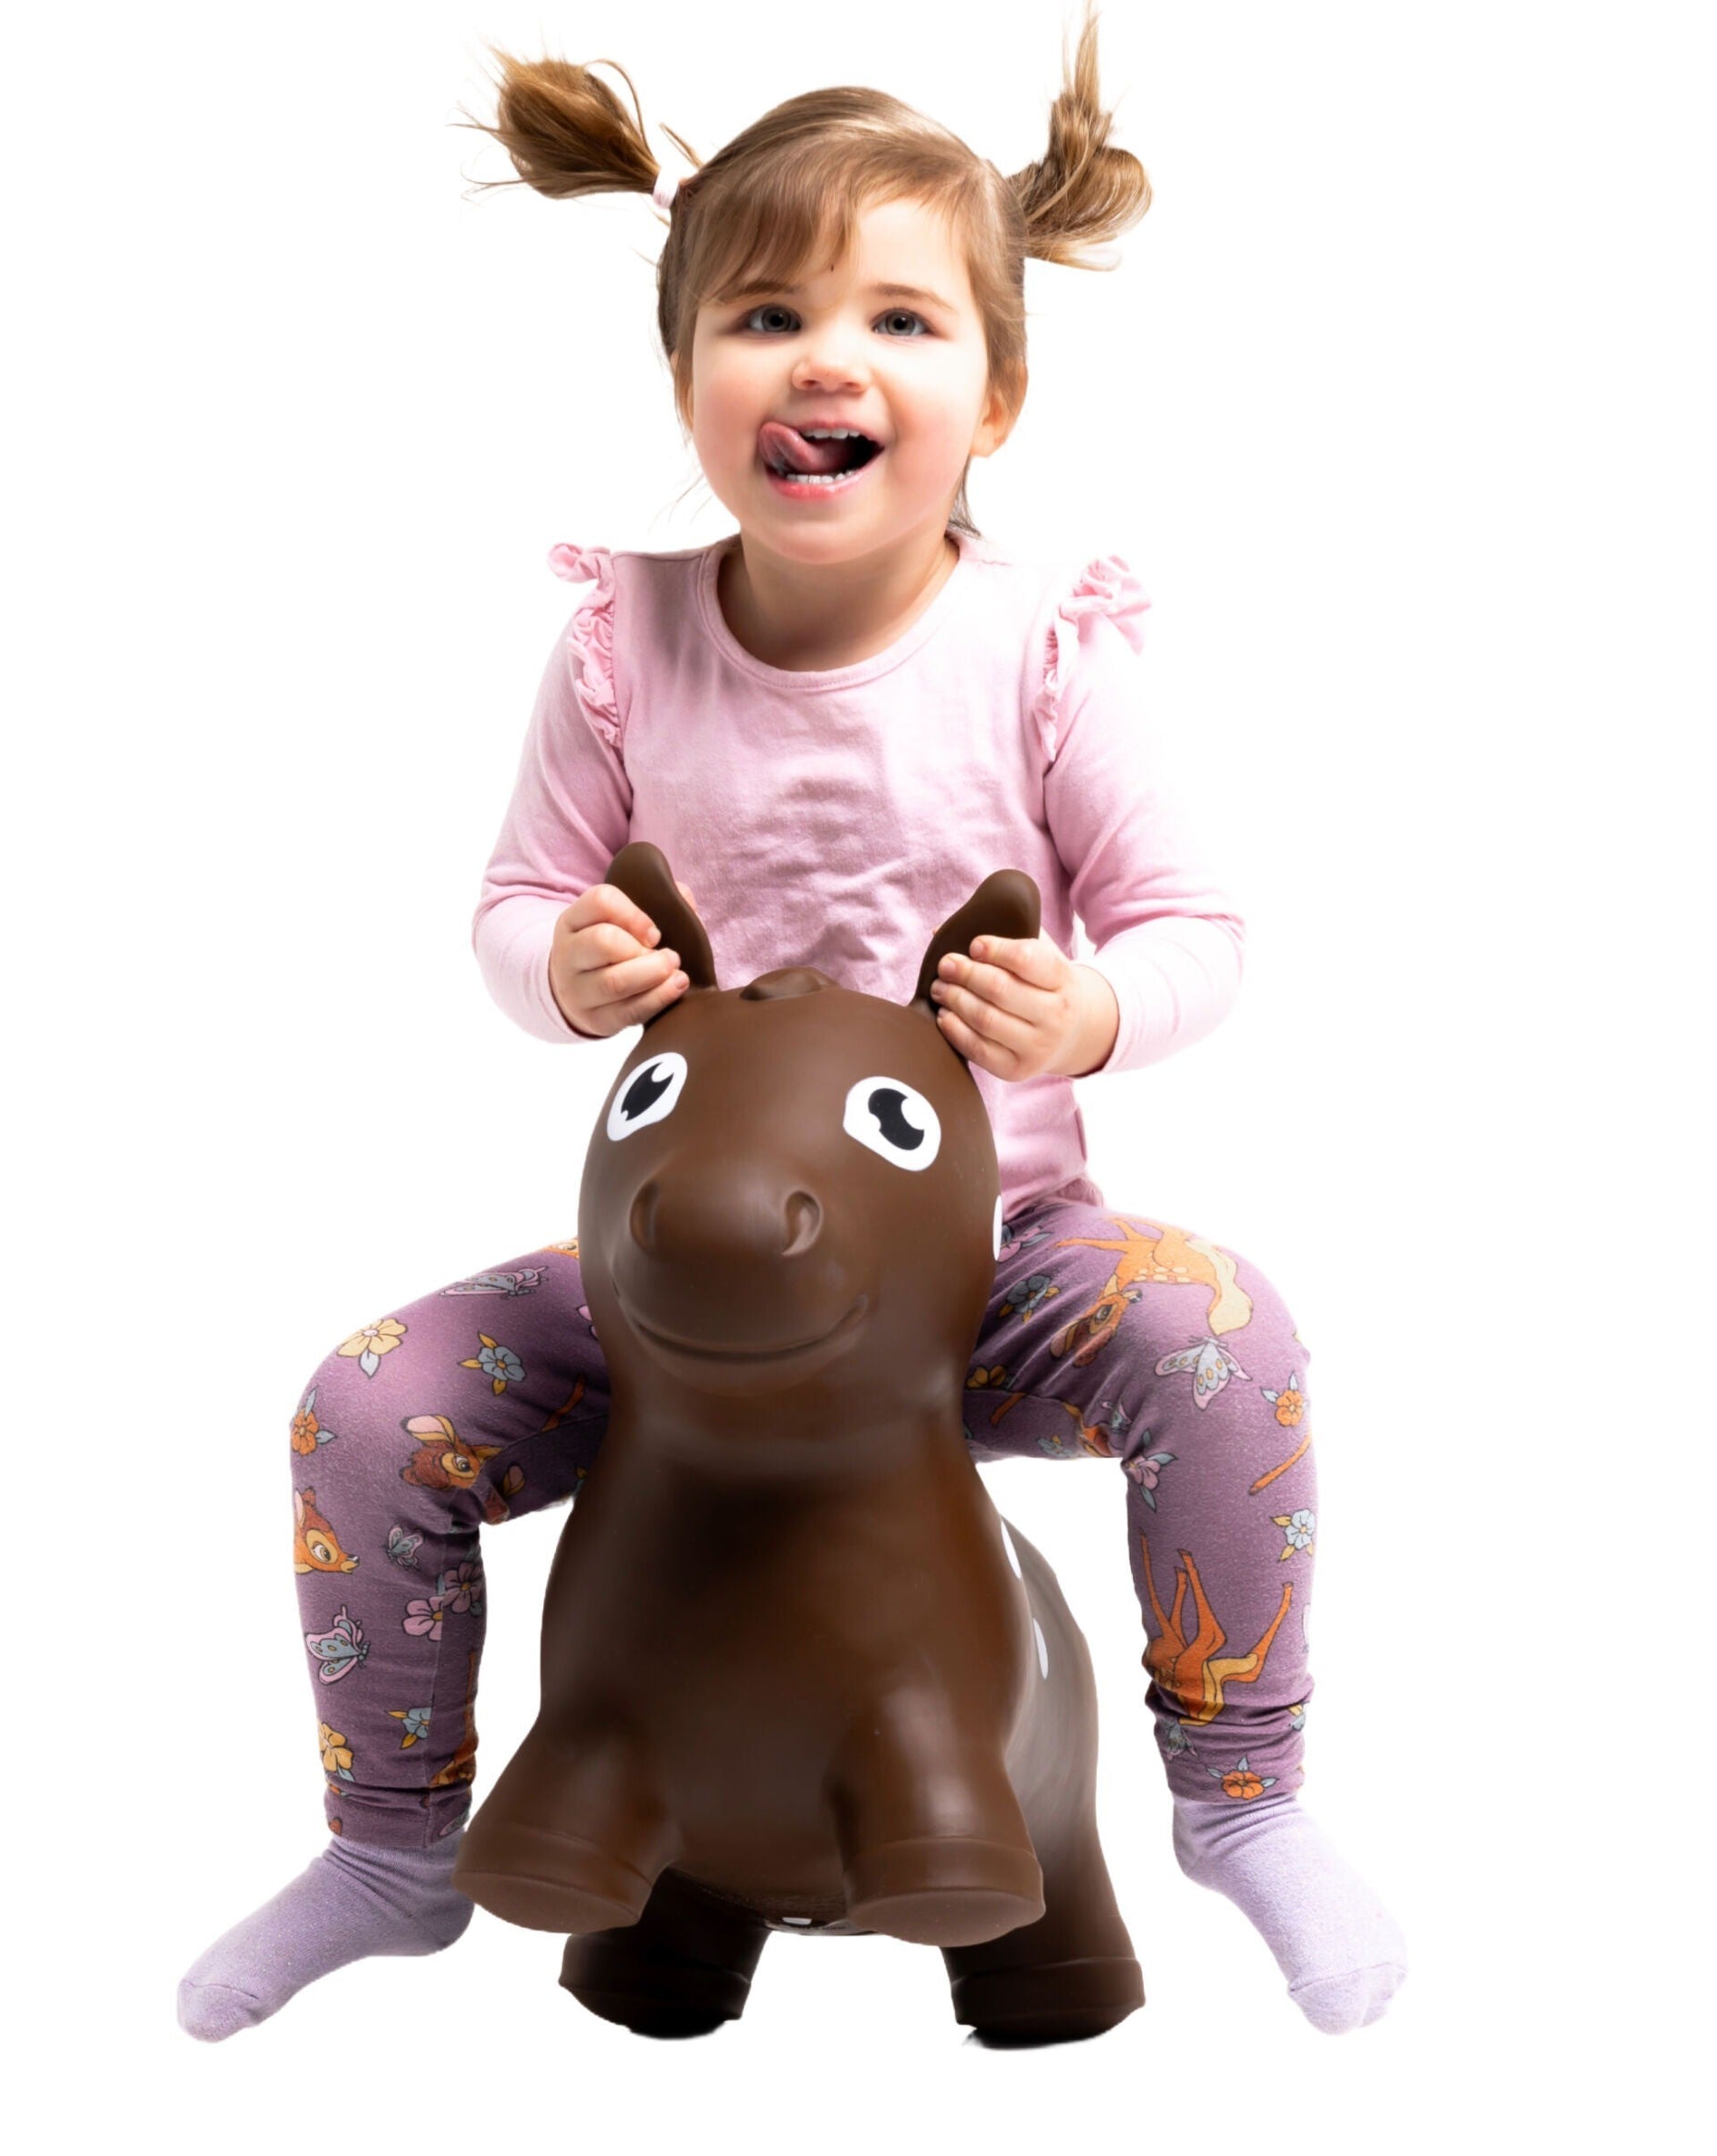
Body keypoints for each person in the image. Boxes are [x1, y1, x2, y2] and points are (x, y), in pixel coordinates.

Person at [178, 7, 1406, 2041]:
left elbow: (1203, 925)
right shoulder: (621, 643)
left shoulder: (1046, 650)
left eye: (905, 323)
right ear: (686, 377)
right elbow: (509, 898)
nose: (830, 360)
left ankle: (1245, 1793)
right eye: (766, 314)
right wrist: (553, 963)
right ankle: (396, 1840)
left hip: (994, 1261)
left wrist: (1096, 1008)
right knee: (368, 1408)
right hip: (696, 1281)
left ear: (994, 399)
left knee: (1226, 1338)